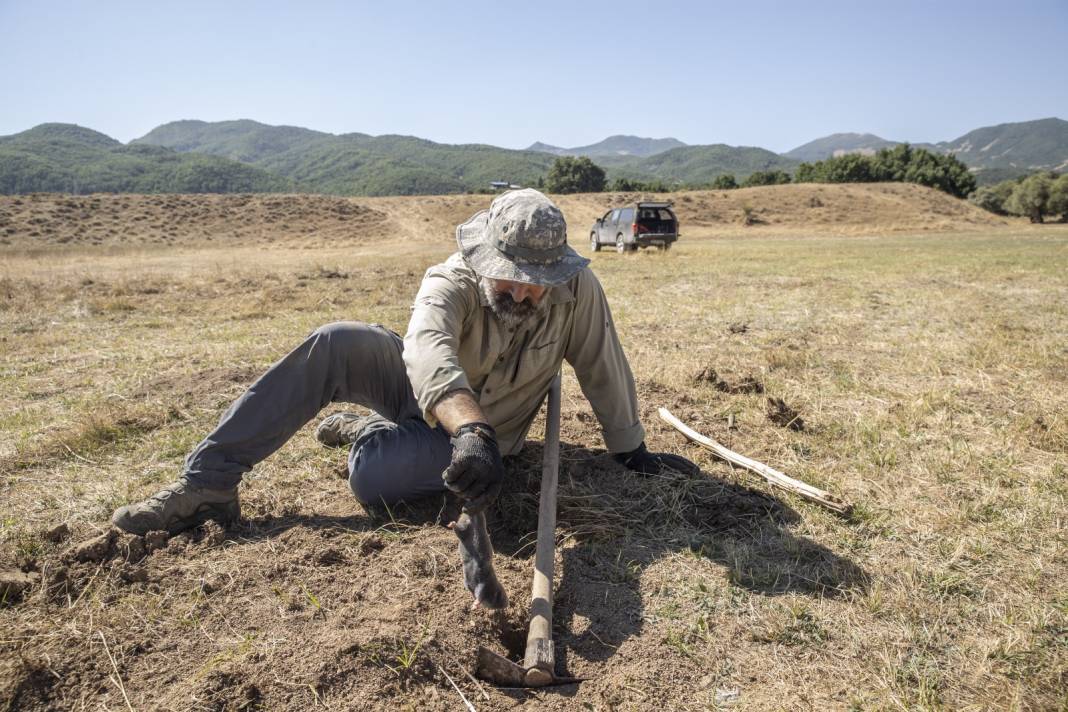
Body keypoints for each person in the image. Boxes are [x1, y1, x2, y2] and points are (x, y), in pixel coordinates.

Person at [110, 188, 697, 536]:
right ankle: (207, 484)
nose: (522, 292)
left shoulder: (578, 291)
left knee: (373, 479)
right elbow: (429, 353)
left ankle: (371, 434)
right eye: (510, 277)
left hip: (491, 431)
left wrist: (632, 449)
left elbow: (603, 365)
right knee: (335, 341)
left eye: (535, 282)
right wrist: (467, 427)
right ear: (484, 256)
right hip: (441, 404)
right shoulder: (450, 279)